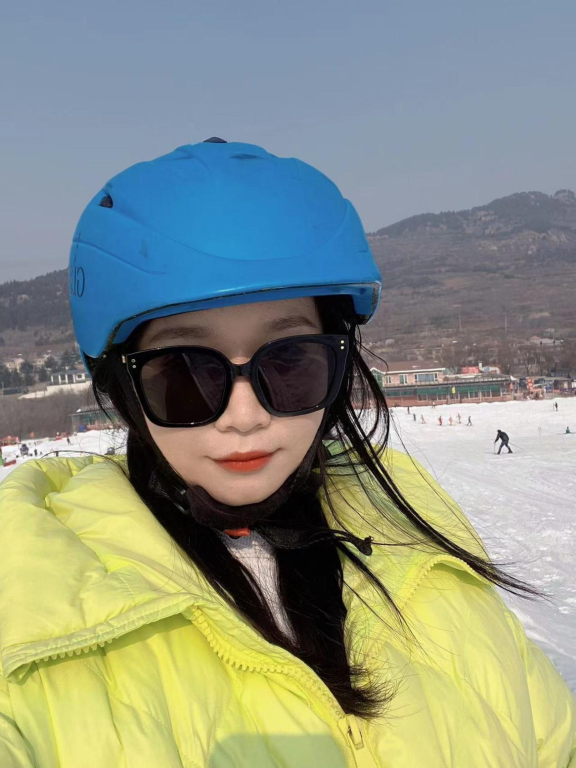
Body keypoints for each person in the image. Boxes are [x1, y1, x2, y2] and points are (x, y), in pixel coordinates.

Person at [0, 139, 573, 767]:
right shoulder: (31, 624)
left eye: (291, 362)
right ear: (122, 388)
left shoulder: (422, 545)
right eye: (186, 374)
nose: (246, 416)